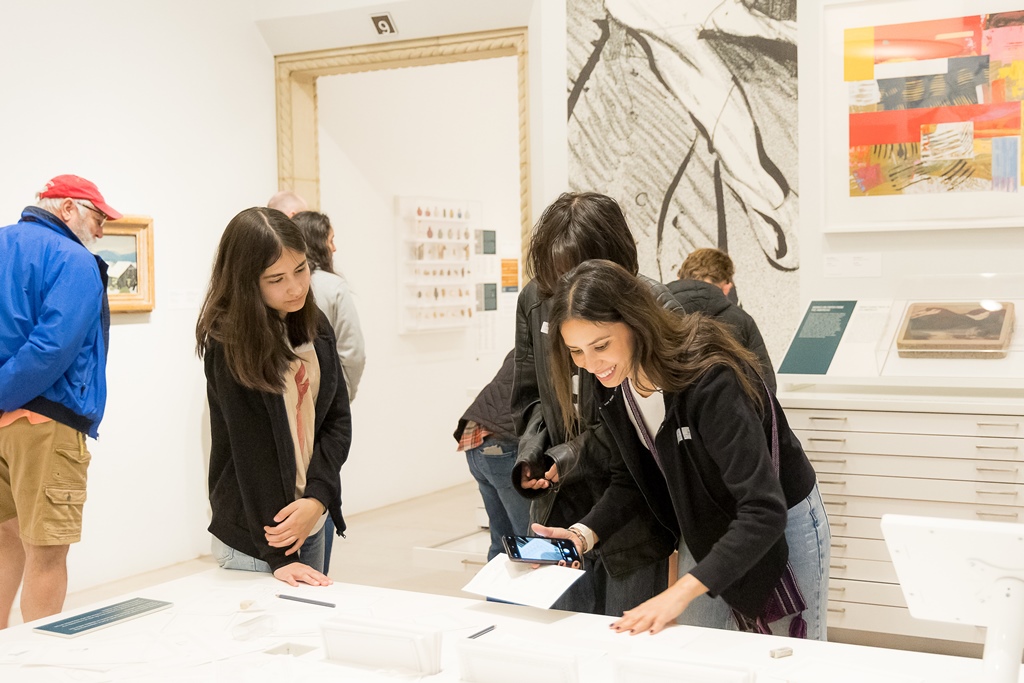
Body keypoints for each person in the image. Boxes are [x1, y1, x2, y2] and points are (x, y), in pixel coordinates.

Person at [537, 259, 829, 639]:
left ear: (634, 320)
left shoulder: (709, 378)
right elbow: (633, 481)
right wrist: (582, 534)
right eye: (576, 351)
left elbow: (763, 510)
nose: (591, 364)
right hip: (707, 520)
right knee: (699, 647)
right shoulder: (612, 381)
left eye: (601, 345)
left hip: (779, 518)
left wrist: (679, 592)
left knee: (790, 656)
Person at [511, 192, 679, 617]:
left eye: (578, 274)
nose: (565, 292)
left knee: (624, 634)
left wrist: (570, 455)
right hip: (557, 500)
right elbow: (529, 394)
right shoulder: (534, 299)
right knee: (559, 629)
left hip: (632, 507)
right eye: (554, 279)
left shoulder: (654, 307)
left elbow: (648, 430)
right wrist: (533, 454)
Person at [196, 207, 351, 587]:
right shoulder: (230, 341)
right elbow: (252, 451)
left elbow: (336, 421)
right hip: (259, 536)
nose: (296, 287)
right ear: (248, 282)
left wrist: (316, 500)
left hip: (309, 519)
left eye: (300, 270)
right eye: (277, 279)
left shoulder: (315, 325)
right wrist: (279, 554)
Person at [0, 175, 121, 628]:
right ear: (67, 208)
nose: (102, 231)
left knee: (5, 541)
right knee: (46, 554)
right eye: (98, 217)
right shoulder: (74, 259)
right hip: (44, 423)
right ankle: (35, 669)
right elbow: (51, 348)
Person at [292, 210, 366, 575]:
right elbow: (354, 352)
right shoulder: (333, 287)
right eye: (331, 238)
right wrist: (339, 399)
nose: (293, 289)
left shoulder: (313, 299)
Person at [454, 350, 530, 561]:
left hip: (474, 437)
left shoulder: (520, 348)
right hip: (502, 442)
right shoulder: (550, 349)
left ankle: (496, 594)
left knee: (502, 540)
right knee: (530, 540)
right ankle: (528, 593)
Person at [667, 247, 777, 392]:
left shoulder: (655, 313)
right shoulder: (741, 320)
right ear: (726, 286)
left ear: (679, 278)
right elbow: (764, 387)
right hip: (729, 412)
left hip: (663, 413)